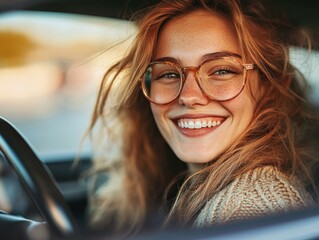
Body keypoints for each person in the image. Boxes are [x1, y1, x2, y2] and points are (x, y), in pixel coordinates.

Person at [86, 0, 319, 236]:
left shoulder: (250, 206)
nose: (188, 96)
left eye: (221, 71)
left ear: (271, 87)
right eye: (167, 74)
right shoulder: (170, 186)